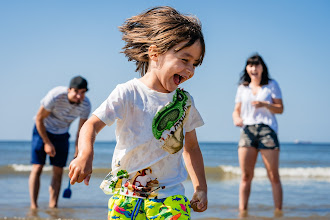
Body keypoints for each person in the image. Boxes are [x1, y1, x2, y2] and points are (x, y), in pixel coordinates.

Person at [69, 6, 207, 219]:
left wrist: (200, 188)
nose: (190, 70)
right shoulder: (128, 93)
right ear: (155, 53)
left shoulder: (184, 102)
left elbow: (192, 148)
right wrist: (85, 154)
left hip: (170, 197)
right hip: (125, 196)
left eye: (195, 64)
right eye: (185, 59)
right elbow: (91, 125)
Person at [232, 54, 284, 215]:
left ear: (262, 68)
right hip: (247, 130)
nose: (253, 68)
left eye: (257, 65)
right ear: (247, 69)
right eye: (250, 65)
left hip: (267, 130)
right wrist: (236, 119)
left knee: (273, 175)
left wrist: (265, 104)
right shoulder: (242, 88)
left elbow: (280, 109)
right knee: (246, 176)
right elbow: (236, 110)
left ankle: (278, 212)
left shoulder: (271, 85)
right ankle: (243, 212)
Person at [29, 76, 91, 209]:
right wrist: (46, 142)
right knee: (37, 167)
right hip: (42, 131)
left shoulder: (86, 105)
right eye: (76, 91)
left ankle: (53, 206)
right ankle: (34, 206)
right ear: (69, 89)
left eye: (83, 92)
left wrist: (78, 151)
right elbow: (39, 119)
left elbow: (81, 131)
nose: (79, 96)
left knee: (58, 171)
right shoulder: (56, 95)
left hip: (62, 135)